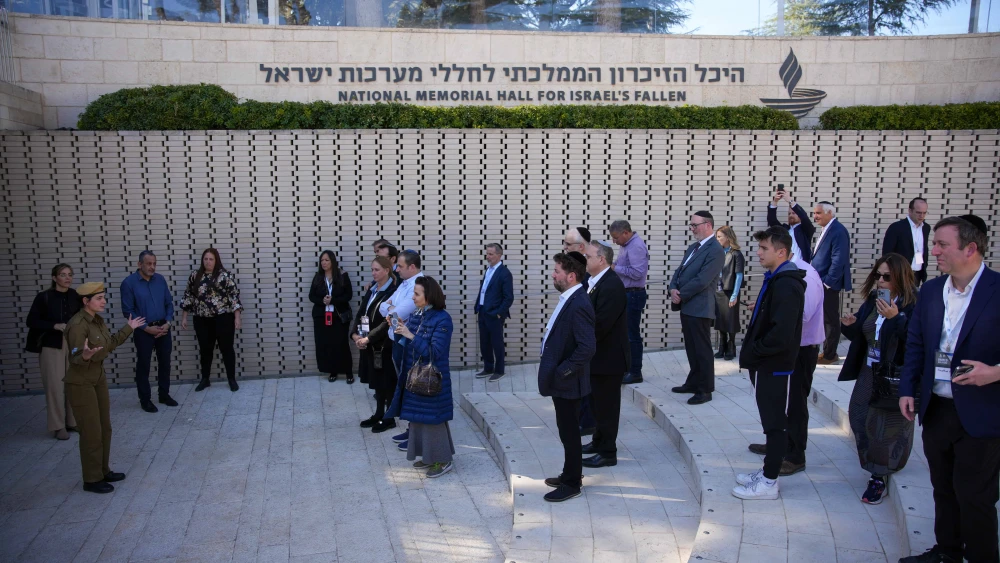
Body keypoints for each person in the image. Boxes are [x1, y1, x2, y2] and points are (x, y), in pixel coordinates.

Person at [898, 216, 1000, 563]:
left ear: (970, 248)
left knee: (975, 496)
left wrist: (996, 372)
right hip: (937, 408)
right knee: (942, 489)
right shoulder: (930, 290)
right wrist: (907, 388)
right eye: (934, 244)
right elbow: (916, 344)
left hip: (981, 413)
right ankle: (948, 552)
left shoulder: (997, 290)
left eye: (942, 244)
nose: (933, 251)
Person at [838, 253, 917, 504]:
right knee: (859, 416)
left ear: (900, 278)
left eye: (886, 276)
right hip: (868, 370)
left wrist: (897, 319)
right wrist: (850, 325)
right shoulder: (874, 300)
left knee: (886, 425)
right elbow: (864, 333)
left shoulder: (913, 304)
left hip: (895, 375)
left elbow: (915, 340)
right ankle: (873, 462)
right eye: (877, 275)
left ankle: (878, 476)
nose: (880, 281)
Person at [734, 227, 805, 501]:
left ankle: (769, 482)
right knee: (769, 422)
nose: (758, 252)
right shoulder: (777, 279)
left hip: (775, 365)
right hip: (767, 363)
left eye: (764, 248)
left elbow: (782, 333)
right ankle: (767, 472)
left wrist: (757, 351)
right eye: (759, 247)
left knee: (775, 425)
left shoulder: (787, 283)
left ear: (782, 252)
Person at [65, 282, 146, 493]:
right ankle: (91, 479)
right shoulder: (77, 324)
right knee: (91, 431)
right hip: (81, 381)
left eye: (103, 297)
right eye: (99, 298)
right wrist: (84, 355)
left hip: (97, 376)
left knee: (104, 427)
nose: (104, 301)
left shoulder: (97, 320)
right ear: (86, 301)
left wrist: (130, 327)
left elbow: (109, 344)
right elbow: (74, 356)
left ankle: (103, 470)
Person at [539, 253, 596, 502]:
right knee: (566, 431)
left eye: (557, 271)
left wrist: (564, 371)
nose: (553, 274)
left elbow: (587, 347)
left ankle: (572, 484)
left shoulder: (579, 303)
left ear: (571, 276)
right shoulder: (569, 298)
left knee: (570, 432)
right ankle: (569, 474)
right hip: (561, 379)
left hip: (568, 381)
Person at [385, 276, 455, 478]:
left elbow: (435, 352)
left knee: (433, 420)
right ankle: (428, 456)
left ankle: (443, 460)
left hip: (431, 379)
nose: (413, 297)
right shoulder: (418, 314)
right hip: (415, 377)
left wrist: (410, 335)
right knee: (418, 419)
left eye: (417, 294)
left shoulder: (442, 319)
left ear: (429, 295)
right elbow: (406, 342)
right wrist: (396, 328)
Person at [581, 240, 629, 469]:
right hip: (597, 358)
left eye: (589, 256)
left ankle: (608, 452)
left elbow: (600, 325)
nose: (585, 260)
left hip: (609, 359)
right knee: (597, 404)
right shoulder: (594, 282)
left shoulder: (611, 285)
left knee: (607, 407)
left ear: (601, 259)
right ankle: (598, 442)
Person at [669, 211, 725, 404]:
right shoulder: (694, 247)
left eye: (695, 225)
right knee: (691, 348)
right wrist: (673, 288)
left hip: (700, 307)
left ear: (708, 225)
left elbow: (702, 280)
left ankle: (705, 389)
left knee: (702, 349)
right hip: (687, 305)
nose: (692, 229)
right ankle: (693, 382)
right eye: (691, 225)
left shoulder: (715, 250)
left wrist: (681, 293)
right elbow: (680, 270)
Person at [25, 264, 80, 440]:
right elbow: (31, 321)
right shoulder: (44, 297)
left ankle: (72, 422)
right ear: (55, 278)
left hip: (73, 344)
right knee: (55, 387)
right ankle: (58, 426)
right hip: (51, 345)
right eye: (63, 275)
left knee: (73, 384)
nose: (67, 278)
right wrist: (54, 325)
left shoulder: (75, 296)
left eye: (70, 274)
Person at [120, 251, 177, 413]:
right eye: (148, 264)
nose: (152, 267)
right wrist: (146, 328)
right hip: (143, 330)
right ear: (140, 264)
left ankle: (164, 395)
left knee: (165, 363)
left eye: (154, 264)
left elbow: (169, 303)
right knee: (144, 365)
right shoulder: (129, 283)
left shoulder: (160, 280)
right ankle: (145, 399)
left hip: (163, 328)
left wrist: (167, 322)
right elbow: (128, 310)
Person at [180, 249, 243, 392]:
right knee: (205, 350)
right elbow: (188, 296)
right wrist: (184, 317)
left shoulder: (224, 276)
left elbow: (234, 297)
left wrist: (237, 317)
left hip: (223, 319)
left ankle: (231, 379)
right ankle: (205, 379)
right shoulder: (195, 276)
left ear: (216, 260)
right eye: (206, 259)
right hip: (202, 320)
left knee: (227, 349)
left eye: (211, 259)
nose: (208, 262)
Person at [380, 249, 425, 446]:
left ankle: (416, 433)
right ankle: (411, 429)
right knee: (405, 387)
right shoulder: (404, 283)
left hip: (407, 342)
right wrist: (392, 310)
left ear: (412, 267)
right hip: (397, 340)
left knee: (412, 388)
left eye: (400, 266)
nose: (396, 269)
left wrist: (391, 310)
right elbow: (385, 306)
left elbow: (399, 310)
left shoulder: (418, 285)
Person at [352, 256, 398, 432]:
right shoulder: (372, 290)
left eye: (377, 269)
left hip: (384, 345)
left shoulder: (393, 292)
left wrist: (369, 338)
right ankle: (379, 414)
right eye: (372, 269)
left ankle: (389, 417)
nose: (373, 273)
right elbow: (361, 313)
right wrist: (355, 335)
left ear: (387, 270)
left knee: (387, 382)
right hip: (369, 343)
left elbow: (388, 321)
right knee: (377, 381)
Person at [811, 202, 852, 365]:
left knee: (830, 319)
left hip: (827, 285)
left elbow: (838, 260)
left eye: (819, 213)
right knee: (825, 318)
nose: (815, 216)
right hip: (820, 282)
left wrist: (827, 282)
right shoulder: (827, 229)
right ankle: (826, 351)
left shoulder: (838, 231)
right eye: (814, 213)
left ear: (829, 213)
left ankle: (830, 354)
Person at [609, 220, 649, 384]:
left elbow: (638, 273)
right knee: (625, 334)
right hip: (626, 293)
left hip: (633, 294)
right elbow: (622, 265)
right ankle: (627, 368)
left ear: (626, 233)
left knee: (632, 335)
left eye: (616, 237)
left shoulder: (636, 246)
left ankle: (635, 372)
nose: (614, 241)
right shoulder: (625, 245)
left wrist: (614, 268)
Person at [308, 250, 354, 383]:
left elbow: (348, 295)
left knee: (341, 344)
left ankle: (348, 372)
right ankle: (332, 371)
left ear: (333, 261)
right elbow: (311, 296)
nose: (324, 263)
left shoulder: (342, 275)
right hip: (321, 316)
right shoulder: (318, 277)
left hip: (339, 316)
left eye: (327, 260)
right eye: (322, 260)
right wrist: (322, 300)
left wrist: (333, 300)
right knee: (326, 344)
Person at [474, 243, 514, 383]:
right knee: (484, 342)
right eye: (487, 253)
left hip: (494, 314)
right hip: (483, 311)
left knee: (496, 343)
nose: (488, 256)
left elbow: (508, 297)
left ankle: (499, 370)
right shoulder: (488, 270)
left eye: (491, 254)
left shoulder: (504, 273)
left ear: (499, 255)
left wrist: (499, 313)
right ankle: (488, 367)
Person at [882, 197, 930, 286]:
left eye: (924, 213)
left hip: (918, 273)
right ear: (910, 210)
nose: (921, 216)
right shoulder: (897, 227)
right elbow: (887, 253)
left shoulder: (926, 228)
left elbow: (923, 249)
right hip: (900, 273)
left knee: (913, 298)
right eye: (918, 212)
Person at [714, 226, 745, 361]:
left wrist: (734, 295)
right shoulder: (719, 252)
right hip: (718, 291)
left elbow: (739, 276)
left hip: (730, 291)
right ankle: (722, 345)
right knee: (720, 319)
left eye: (720, 236)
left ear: (728, 237)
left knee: (731, 320)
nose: (718, 239)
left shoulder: (736, 254)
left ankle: (731, 346)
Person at [767, 186, 815, 263]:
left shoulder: (805, 230)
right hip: (784, 265)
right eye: (789, 213)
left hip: (799, 267)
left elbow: (804, 217)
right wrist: (775, 201)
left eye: (793, 213)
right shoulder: (785, 229)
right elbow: (772, 221)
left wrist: (790, 200)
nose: (791, 215)